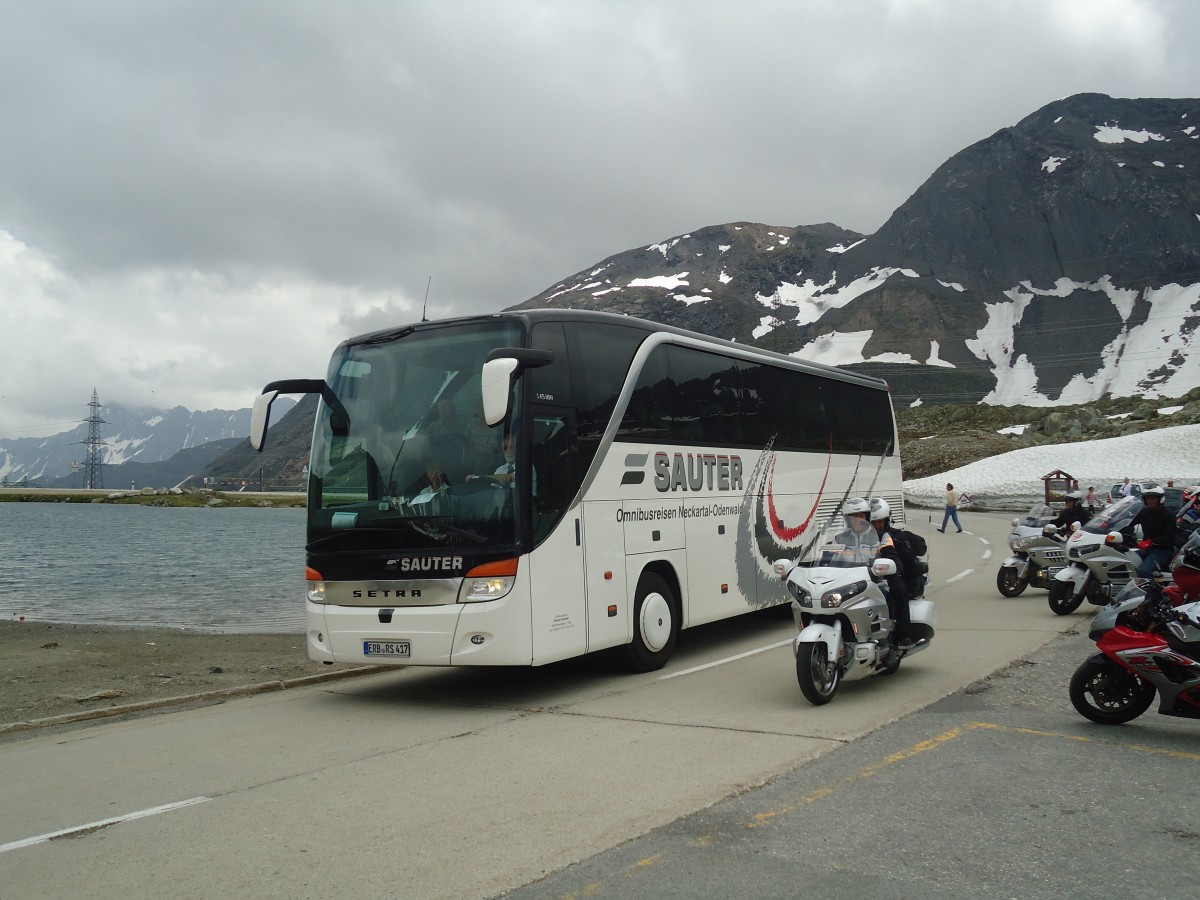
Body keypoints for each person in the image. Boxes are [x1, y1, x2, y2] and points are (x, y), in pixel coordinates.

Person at [868, 498, 922, 650]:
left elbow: (903, 560)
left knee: (899, 590)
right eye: (874, 522)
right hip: (865, 575)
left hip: (890, 574)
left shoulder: (894, 535)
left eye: (880, 522)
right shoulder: (861, 537)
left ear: (887, 520)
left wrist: (894, 562)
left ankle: (902, 635)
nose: (877, 525)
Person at [1127, 484, 1176, 577]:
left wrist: (1151, 542)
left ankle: (1156, 590)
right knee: (1125, 561)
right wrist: (1112, 524)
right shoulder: (1145, 512)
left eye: (1153, 498)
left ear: (1160, 499)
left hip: (1162, 550)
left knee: (1145, 571)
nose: (1150, 501)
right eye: (1148, 498)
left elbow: (1169, 537)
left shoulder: (1168, 515)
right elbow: (1130, 522)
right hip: (1146, 549)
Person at [466, 434, 536, 494]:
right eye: (505, 448)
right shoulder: (499, 470)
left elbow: (507, 479)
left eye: (511, 448)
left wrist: (479, 477)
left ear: (519, 449)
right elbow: (493, 493)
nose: (508, 452)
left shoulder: (527, 466)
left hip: (524, 508)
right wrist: (475, 480)